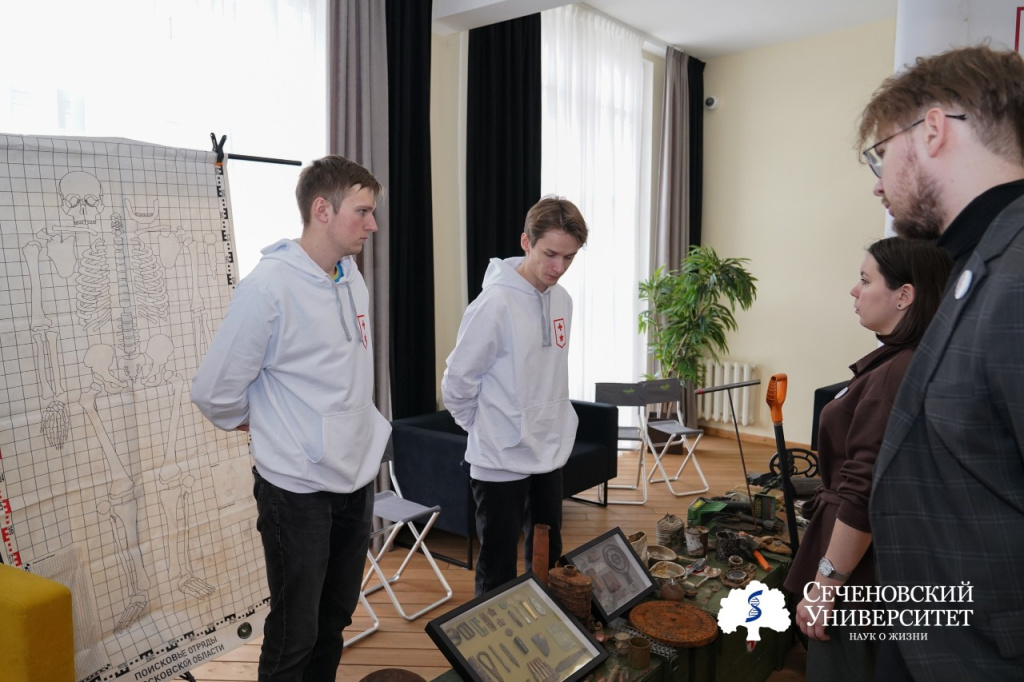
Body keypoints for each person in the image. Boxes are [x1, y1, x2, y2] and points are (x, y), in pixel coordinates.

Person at [857, 45, 1024, 679]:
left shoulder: (1016, 273)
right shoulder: (977, 261)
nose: (878, 182)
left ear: (931, 130)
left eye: (881, 153)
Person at [191, 155, 391, 681]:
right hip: (296, 491)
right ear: (322, 210)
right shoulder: (268, 287)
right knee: (295, 634)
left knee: (335, 619)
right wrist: (257, 419)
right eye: (363, 212)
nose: (372, 224)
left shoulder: (351, 277)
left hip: (354, 479)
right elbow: (213, 391)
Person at [785, 237, 951, 681]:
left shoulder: (896, 372)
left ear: (904, 295)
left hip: (859, 573)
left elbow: (865, 491)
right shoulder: (905, 360)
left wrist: (825, 586)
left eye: (865, 280)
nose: (854, 290)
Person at [441, 196, 588, 597]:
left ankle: (548, 626)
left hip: (548, 451)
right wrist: (486, 427)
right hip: (499, 460)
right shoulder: (494, 303)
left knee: (549, 559)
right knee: (498, 572)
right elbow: (457, 382)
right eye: (550, 254)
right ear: (526, 242)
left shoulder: (563, 300)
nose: (559, 267)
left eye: (569, 257)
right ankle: (492, 639)